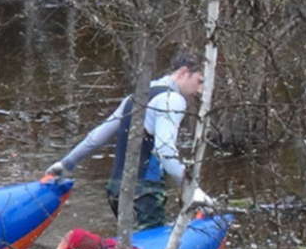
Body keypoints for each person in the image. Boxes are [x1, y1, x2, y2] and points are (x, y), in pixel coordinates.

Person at [46, 50, 214, 228]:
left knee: (129, 248)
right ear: (183, 72)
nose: (200, 90)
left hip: (116, 191)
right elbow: (165, 151)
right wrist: (192, 189)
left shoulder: (138, 96)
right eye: (200, 81)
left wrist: (66, 164)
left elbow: (98, 136)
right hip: (144, 193)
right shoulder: (172, 100)